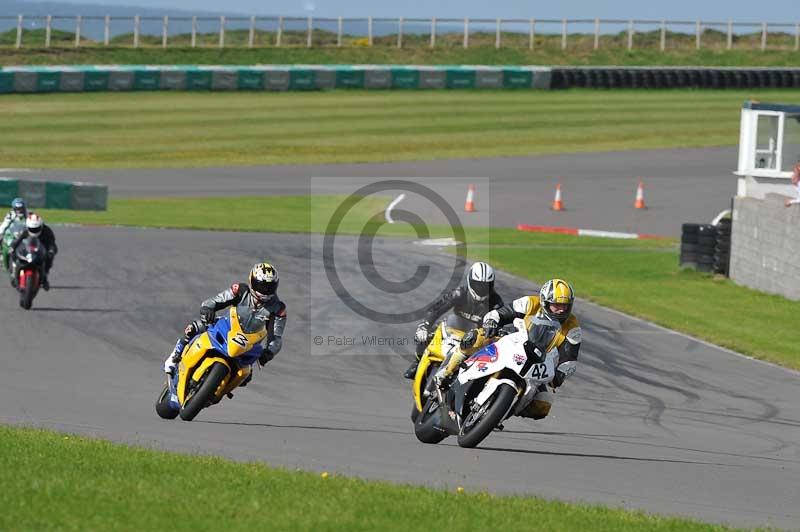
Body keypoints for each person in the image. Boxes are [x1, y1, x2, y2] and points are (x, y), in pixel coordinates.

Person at [436, 278, 582, 421]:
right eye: (556, 305)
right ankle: (447, 371)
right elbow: (502, 312)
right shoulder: (530, 302)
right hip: (511, 341)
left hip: (538, 361)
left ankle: (501, 411)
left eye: (565, 306)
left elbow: (570, 359)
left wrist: (561, 373)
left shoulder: (573, 327)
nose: (561, 310)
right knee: (476, 337)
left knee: (543, 404)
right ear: (544, 301)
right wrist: (492, 322)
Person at [163, 262, 287, 383]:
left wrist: (269, 352)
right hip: (227, 326)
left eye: (269, 287)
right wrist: (208, 309)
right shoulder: (240, 290)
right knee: (195, 327)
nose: (265, 290)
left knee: (246, 377)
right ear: (252, 281)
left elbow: (276, 337)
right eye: (261, 286)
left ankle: (213, 393)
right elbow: (216, 300)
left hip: (249, 344)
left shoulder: (278, 309)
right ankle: (175, 356)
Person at [404, 261, 504, 379]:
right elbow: (436, 309)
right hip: (453, 328)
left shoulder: (496, 302)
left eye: (486, 285)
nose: (481, 288)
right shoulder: (459, 293)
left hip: (475, 339)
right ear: (470, 281)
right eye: (478, 284)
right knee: (425, 336)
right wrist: (423, 326)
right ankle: (417, 362)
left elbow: (502, 322)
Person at [9, 213, 57, 291]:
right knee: (13, 252)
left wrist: (51, 250)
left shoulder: (47, 231)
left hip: (42, 248)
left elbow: (51, 242)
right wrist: (12, 247)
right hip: (27, 247)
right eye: (32, 228)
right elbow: (17, 240)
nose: (34, 230)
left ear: (41, 226)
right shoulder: (24, 230)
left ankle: (44, 277)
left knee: (50, 257)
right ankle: (14, 271)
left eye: (36, 228)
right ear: (28, 227)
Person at [0, 198, 28, 270]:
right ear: (14, 209)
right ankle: (4, 260)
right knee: (7, 247)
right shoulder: (10, 215)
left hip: (25, 237)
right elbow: (4, 225)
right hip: (11, 236)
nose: (19, 210)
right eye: (17, 209)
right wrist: (1, 232)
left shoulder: (28, 215)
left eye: (21, 208)